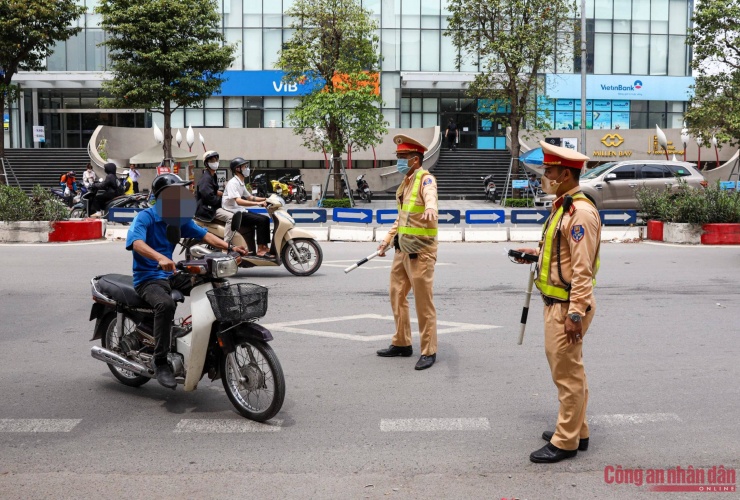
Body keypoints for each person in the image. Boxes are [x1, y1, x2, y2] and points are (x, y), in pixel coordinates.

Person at [514, 140, 601, 464]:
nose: (543, 177)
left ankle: (566, 441)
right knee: (570, 369)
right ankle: (578, 430)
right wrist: (534, 255)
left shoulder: (580, 214)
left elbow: (582, 270)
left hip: (567, 306)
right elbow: (561, 256)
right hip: (558, 302)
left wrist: (575, 314)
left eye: (548, 172)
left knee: (567, 374)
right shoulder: (563, 208)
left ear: (564, 174)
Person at [126, 173, 247, 389]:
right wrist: (160, 257)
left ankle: (221, 330)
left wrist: (230, 248)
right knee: (166, 304)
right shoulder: (145, 217)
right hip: (148, 278)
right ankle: (160, 361)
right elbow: (136, 243)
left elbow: (205, 235)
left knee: (211, 280)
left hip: (170, 275)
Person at [376, 134, 439, 371]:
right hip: (402, 249)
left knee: (424, 303)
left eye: (402, 157)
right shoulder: (407, 182)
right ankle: (402, 343)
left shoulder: (425, 180)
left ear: (415, 159)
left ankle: (428, 350)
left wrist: (431, 207)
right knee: (397, 295)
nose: (399, 162)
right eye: (398, 157)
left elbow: (431, 198)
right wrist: (386, 240)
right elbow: (402, 217)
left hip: (421, 251)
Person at [222, 157, 273, 257]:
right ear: (238, 169)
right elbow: (239, 201)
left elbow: (250, 197)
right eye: (245, 167)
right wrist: (258, 204)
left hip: (240, 210)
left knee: (265, 219)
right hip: (234, 213)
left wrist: (266, 199)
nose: (247, 169)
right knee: (261, 220)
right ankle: (260, 250)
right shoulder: (233, 183)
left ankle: (264, 246)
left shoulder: (240, 182)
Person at [195, 150, 238, 241]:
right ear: (206, 164)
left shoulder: (212, 176)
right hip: (206, 208)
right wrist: (223, 201)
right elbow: (209, 197)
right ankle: (226, 246)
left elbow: (213, 190)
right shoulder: (206, 178)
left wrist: (224, 194)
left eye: (216, 160)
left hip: (210, 206)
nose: (215, 163)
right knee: (232, 217)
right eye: (211, 161)